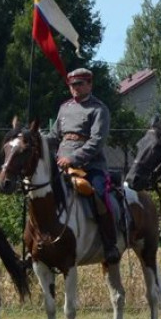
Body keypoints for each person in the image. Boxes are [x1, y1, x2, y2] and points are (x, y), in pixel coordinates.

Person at [51, 68, 120, 265]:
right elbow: (54, 137)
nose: (75, 88)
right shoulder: (64, 108)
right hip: (61, 164)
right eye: (72, 85)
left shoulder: (99, 109)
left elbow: (96, 142)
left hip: (91, 166)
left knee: (100, 194)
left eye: (79, 84)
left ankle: (110, 244)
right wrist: (32, 139)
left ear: (90, 84)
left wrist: (73, 158)